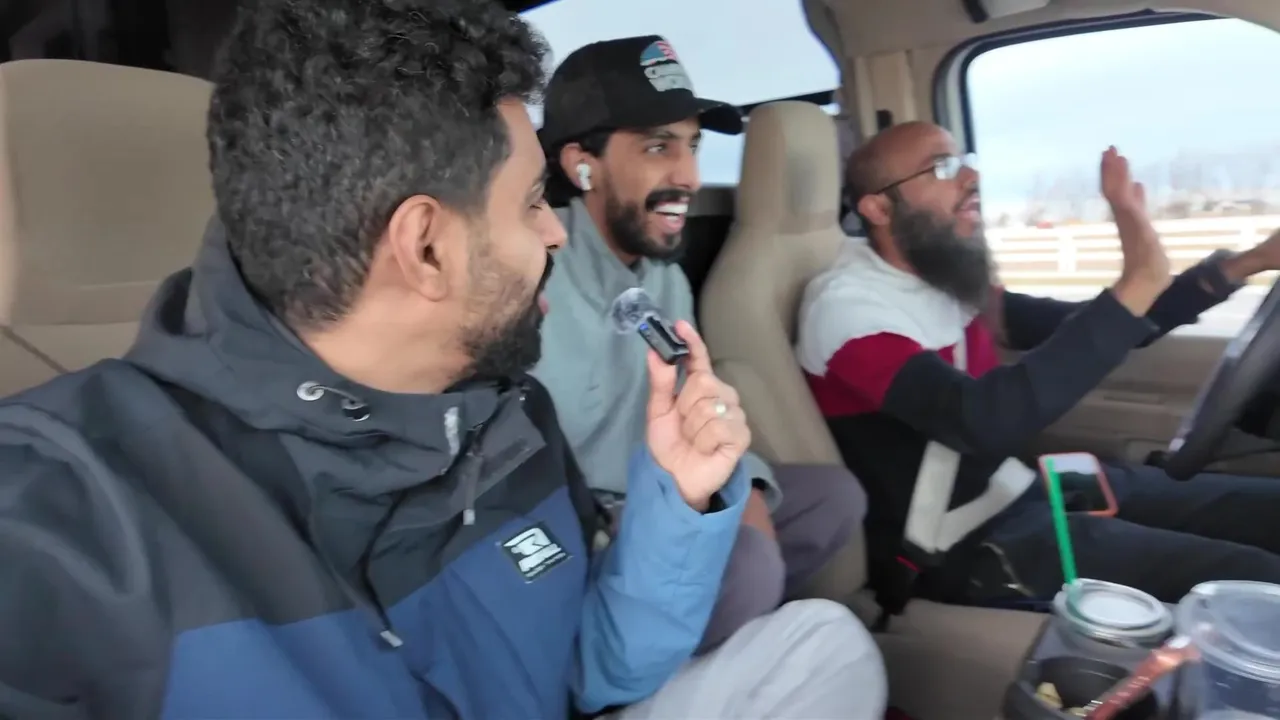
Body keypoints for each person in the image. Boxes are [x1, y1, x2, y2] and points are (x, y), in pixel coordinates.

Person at [0, 3, 888, 719]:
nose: (552, 233)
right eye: (532, 202)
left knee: (825, 644)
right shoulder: (57, 519)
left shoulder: (512, 421)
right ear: (425, 247)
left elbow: (587, 669)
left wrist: (681, 502)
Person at [796, 119, 1280, 609]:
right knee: (1255, 579)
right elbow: (983, 420)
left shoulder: (938, 278)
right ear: (879, 208)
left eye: (964, 162)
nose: (971, 178)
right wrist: (1137, 281)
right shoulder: (846, 310)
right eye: (940, 167)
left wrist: (1248, 263)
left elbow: (1087, 325)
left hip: (1020, 488)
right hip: (964, 544)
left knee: (1264, 511)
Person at [531, 35, 871, 653]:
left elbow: (698, 403)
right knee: (749, 565)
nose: (688, 177)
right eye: (658, 147)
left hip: (670, 491)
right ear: (583, 164)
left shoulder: (665, 279)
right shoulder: (535, 278)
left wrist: (745, 491)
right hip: (584, 524)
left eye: (692, 146)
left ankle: (703, 637)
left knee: (833, 499)